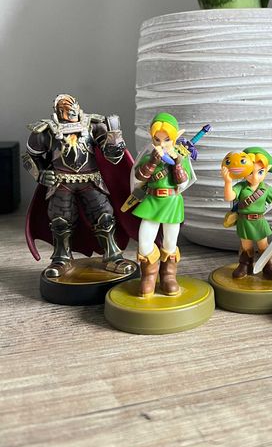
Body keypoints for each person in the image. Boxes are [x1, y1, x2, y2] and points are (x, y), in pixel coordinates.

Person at [23, 94, 134, 278]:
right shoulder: (45, 131)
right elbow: (29, 156)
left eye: (73, 108)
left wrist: (115, 136)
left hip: (90, 180)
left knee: (104, 216)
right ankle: (61, 259)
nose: (71, 112)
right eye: (66, 109)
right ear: (59, 111)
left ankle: (113, 256)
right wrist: (41, 174)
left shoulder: (93, 125)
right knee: (60, 220)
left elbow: (113, 156)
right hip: (61, 182)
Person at [131, 113, 194, 297]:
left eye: (167, 139)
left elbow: (183, 183)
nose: (162, 143)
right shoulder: (149, 157)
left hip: (172, 202)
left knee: (170, 242)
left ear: (175, 138)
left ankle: (168, 275)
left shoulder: (180, 157)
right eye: (157, 139)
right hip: (152, 201)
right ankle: (149, 275)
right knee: (144, 242)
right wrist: (153, 161)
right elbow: (139, 177)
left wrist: (177, 163)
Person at [221, 147, 272, 280]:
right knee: (246, 246)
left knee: (263, 245)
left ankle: (269, 267)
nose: (255, 177)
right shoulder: (241, 187)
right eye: (251, 172)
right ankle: (245, 265)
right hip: (244, 221)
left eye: (260, 172)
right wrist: (228, 182)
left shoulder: (266, 189)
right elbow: (229, 197)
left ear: (267, 170)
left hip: (259, 221)